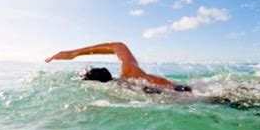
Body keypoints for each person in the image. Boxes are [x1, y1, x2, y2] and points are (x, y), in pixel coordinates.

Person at [45, 42, 191, 92]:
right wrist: (74, 53)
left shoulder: (118, 91)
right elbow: (118, 45)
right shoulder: (129, 71)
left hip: (180, 99)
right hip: (185, 90)